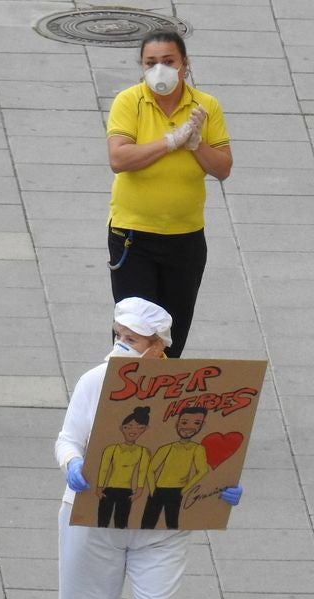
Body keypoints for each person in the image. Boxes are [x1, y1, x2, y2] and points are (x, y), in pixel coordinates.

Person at [54, 298, 241, 599]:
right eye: (118, 334)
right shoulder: (95, 381)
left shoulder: (188, 393)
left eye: (132, 339)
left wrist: (222, 489)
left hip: (163, 523)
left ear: (159, 346)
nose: (121, 345)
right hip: (97, 513)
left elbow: (209, 450)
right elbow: (68, 438)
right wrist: (72, 463)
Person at [106, 31, 232, 358]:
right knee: (132, 334)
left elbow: (222, 168)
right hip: (134, 236)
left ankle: (160, 404)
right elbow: (119, 159)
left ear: (184, 65)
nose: (159, 69)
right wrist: (171, 141)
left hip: (185, 238)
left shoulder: (206, 106)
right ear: (142, 67)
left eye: (168, 61)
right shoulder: (129, 101)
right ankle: (118, 403)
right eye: (151, 63)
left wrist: (195, 143)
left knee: (171, 336)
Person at [140, 406, 210, 529]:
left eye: (196, 423)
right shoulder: (167, 448)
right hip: (158, 489)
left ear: (202, 426)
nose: (188, 427)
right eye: (184, 422)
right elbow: (150, 469)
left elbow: (203, 470)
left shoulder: (197, 449)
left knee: (172, 523)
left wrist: (184, 490)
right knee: (148, 522)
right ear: (177, 423)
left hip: (176, 490)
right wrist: (152, 489)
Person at [97, 405, 152, 529]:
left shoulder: (143, 451)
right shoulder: (111, 449)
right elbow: (104, 468)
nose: (133, 431)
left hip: (126, 491)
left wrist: (139, 491)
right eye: (128, 427)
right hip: (109, 489)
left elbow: (142, 472)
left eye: (139, 428)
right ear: (122, 428)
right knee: (102, 521)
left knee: (121, 523)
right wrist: (99, 488)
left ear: (145, 429)